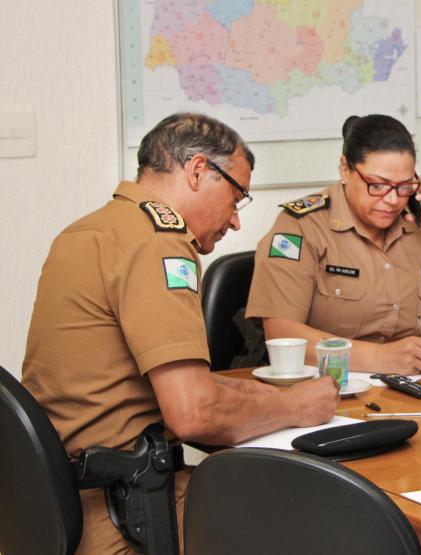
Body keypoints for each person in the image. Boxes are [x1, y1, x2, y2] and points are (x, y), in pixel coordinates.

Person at [22, 113, 340, 554]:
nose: (235, 222)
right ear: (197, 171)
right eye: (236, 197)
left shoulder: (87, 231)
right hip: (126, 511)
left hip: (58, 503)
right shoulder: (159, 242)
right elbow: (193, 412)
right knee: (326, 517)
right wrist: (297, 406)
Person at [246, 114, 421, 374]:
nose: (392, 199)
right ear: (345, 169)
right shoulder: (300, 227)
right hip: (323, 393)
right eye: (378, 185)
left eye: (405, 187)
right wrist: (381, 358)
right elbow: (282, 336)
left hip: (409, 393)